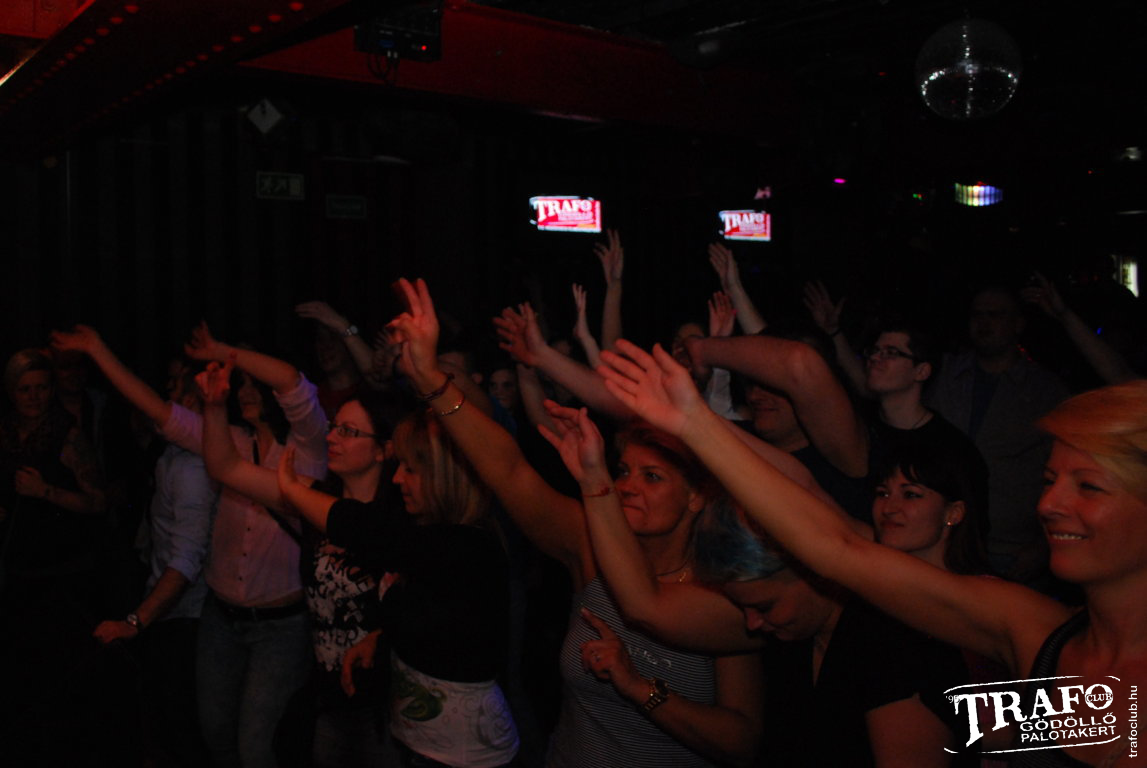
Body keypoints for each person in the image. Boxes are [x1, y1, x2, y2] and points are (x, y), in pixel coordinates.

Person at [598, 339, 1147, 768]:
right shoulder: (1037, 633)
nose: (1049, 504)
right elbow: (838, 548)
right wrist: (693, 424)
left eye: (1088, 487)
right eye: (1049, 481)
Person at [387, 278, 763, 768]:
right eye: (623, 471)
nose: (628, 486)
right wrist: (431, 380)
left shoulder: (730, 594)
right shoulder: (593, 546)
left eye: (652, 477)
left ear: (697, 496)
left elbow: (741, 739)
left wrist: (641, 689)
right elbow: (510, 470)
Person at [51, 323, 327, 768]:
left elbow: (293, 383)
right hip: (221, 618)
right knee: (214, 735)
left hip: (280, 626)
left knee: (257, 748)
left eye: (254, 384)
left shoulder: (307, 448)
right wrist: (97, 349)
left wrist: (222, 350)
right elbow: (160, 411)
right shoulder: (230, 441)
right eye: (241, 385)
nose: (246, 392)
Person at [270, 405, 519, 768]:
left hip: (461, 756)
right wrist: (380, 638)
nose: (398, 478)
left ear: (445, 476)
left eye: (411, 470)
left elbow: (370, 530)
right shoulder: (428, 533)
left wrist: (294, 490)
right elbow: (440, 623)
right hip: (417, 743)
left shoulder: (470, 545)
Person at [86, 354, 217, 768]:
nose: (166, 396)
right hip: (168, 612)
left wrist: (135, 621)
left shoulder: (193, 469)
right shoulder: (175, 454)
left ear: (193, 401)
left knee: (178, 731)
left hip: (184, 618)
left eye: (175, 387)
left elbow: (186, 560)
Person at [927, 284, 1069, 584]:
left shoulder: (1044, 391)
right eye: (977, 314)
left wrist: (1042, 544)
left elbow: (1064, 472)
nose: (984, 322)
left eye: (995, 315)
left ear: (1018, 324)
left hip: (1009, 549)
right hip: (941, 538)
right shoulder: (943, 375)